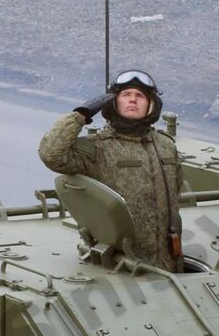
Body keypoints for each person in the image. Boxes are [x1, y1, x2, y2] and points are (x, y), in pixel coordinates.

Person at [38, 70, 184, 272]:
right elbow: (51, 154)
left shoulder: (166, 145)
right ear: (113, 103)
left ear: (151, 104)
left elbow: (175, 192)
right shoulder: (98, 148)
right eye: (125, 95)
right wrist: (80, 115)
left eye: (140, 96)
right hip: (120, 267)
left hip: (168, 265)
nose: (133, 100)